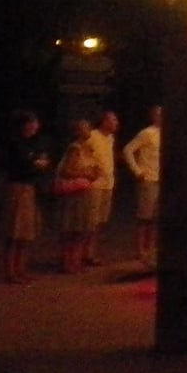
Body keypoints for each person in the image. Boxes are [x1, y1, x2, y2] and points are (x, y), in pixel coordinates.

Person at [0, 110, 51, 283]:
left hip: (30, 188)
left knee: (26, 233)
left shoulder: (35, 142)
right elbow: (25, 165)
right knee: (14, 231)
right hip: (17, 188)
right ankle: (10, 271)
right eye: (31, 123)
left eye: (36, 122)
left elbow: (41, 161)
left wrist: (37, 162)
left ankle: (21, 268)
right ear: (23, 125)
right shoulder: (16, 143)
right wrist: (35, 163)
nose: (35, 126)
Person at [52, 116, 101, 275]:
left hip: (83, 193)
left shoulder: (87, 148)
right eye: (84, 127)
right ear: (78, 132)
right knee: (72, 230)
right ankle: (67, 263)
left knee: (80, 230)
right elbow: (67, 170)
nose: (88, 130)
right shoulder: (75, 148)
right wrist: (86, 174)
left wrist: (93, 173)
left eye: (88, 126)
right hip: (74, 196)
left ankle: (75, 262)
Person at [123, 104, 163, 267]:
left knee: (155, 217)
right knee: (145, 217)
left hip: (161, 179)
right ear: (153, 117)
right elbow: (128, 149)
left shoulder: (166, 133)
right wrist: (137, 171)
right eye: (158, 114)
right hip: (148, 179)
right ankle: (141, 250)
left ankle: (151, 249)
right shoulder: (147, 133)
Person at [85, 108, 119, 266]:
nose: (116, 123)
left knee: (100, 222)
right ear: (104, 121)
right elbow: (82, 155)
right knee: (91, 221)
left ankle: (92, 252)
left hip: (107, 184)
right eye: (112, 120)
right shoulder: (92, 136)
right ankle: (85, 253)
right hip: (95, 184)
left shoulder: (110, 138)